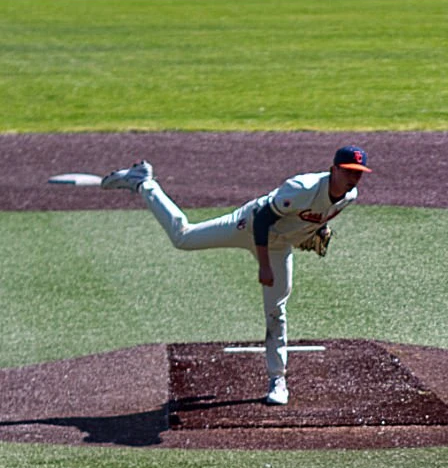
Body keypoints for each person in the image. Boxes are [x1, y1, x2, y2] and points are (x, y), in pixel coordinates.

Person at [97, 147, 372, 405]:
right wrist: (264, 266)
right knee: (183, 238)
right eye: (348, 171)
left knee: (276, 309)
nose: (353, 178)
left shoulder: (349, 196)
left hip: (278, 246)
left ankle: (277, 381)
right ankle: (144, 182)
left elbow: (313, 218)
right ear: (333, 169)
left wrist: (314, 232)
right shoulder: (303, 187)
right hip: (247, 225)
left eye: (358, 173)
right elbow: (263, 219)